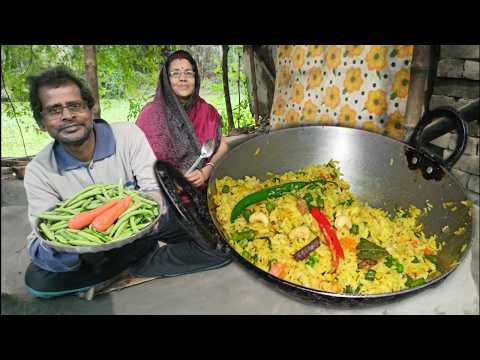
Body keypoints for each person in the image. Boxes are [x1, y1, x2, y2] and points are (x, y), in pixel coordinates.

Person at [23, 66, 230, 299]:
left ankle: (130, 267)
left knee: (218, 244)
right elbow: (43, 235)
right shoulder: (39, 171)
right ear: (41, 122)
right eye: (54, 110)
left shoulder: (127, 136)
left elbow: (153, 190)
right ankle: (134, 265)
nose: (67, 115)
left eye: (75, 106)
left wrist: (146, 211)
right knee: (38, 282)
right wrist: (73, 244)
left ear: (91, 110)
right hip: (90, 252)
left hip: (143, 230)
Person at [136, 50, 229, 191]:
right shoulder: (151, 115)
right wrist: (166, 183)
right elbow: (138, 158)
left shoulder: (207, 111)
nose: (183, 78)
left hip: (202, 193)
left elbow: (222, 146)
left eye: (188, 73)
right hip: (164, 197)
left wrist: (206, 172)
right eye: (176, 73)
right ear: (166, 80)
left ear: (195, 78)